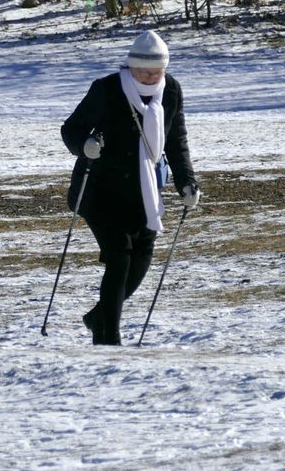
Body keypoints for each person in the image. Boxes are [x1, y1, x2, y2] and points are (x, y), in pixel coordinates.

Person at [60, 30, 200, 345]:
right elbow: (71, 129)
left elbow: (176, 143)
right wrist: (86, 146)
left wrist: (187, 182)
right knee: (120, 257)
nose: (151, 77)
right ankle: (108, 338)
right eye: (144, 71)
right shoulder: (108, 90)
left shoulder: (172, 90)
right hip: (100, 189)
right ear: (131, 66)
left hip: (144, 190)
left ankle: (100, 316)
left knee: (141, 258)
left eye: (157, 71)